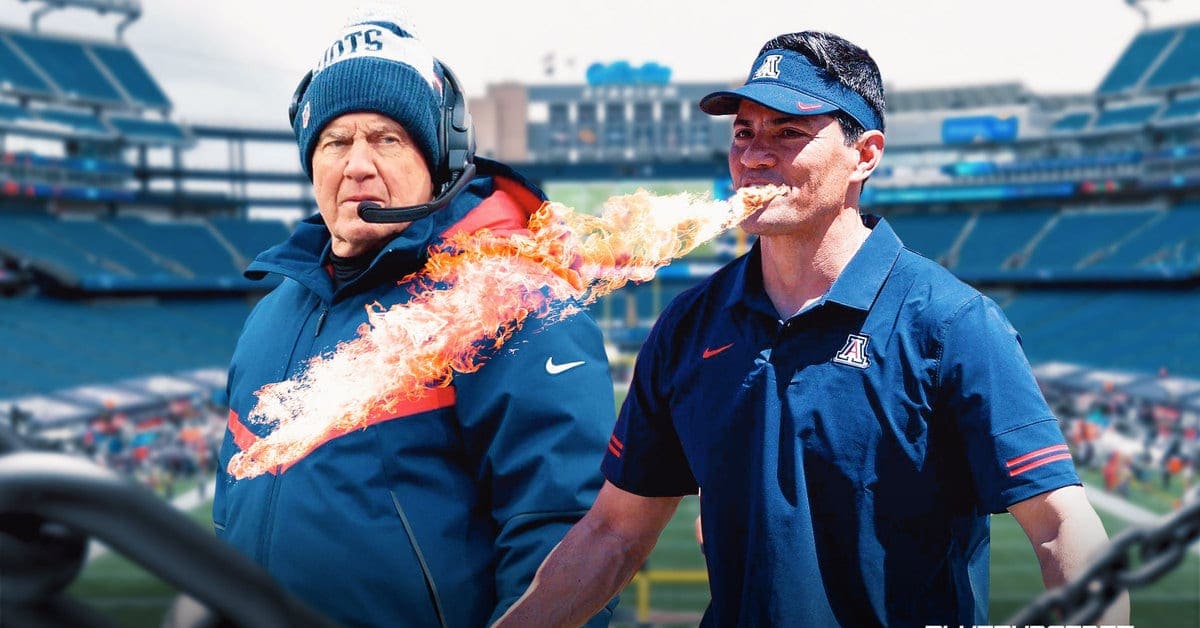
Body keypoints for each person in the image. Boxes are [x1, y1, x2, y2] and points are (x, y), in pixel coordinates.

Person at [496, 31, 1129, 627]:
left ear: (865, 155)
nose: (754, 154)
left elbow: (1059, 524)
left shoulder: (950, 322)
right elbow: (614, 533)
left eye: (789, 131)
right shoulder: (689, 324)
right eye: (743, 132)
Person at [212, 9, 615, 627]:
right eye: (335, 141)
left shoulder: (507, 298)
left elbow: (564, 530)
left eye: (387, 138)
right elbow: (232, 506)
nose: (358, 165)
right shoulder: (271, 314)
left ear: (440, 157)